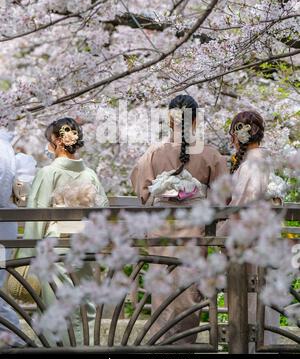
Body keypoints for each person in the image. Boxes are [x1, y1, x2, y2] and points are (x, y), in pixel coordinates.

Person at [131, 95, 228, 344]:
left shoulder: (153, 153)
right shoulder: (210, 154)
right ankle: (186, 348)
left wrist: (164, 193)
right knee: (189, 293)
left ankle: (160, 347)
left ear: (169, 119)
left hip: (161, 231)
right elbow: (223, 197)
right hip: (194, 232)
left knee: (161, 293)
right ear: (195, 121)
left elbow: (142, 191)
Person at [16, 117, 109, 345]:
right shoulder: (90, 174)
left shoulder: (48, 173)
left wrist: (25, 255)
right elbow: (103, 209)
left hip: (56, 246)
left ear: (58, 141)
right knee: (83, 304)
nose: (48, 146)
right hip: (84, 242)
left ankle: (60, 350)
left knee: (57, 306)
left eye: (49, 141)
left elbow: (36, 214)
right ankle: (86, 347)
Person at [226, 110, 284, 352]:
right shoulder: (257, 159)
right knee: (255, 299)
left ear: (239, 134)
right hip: (257, 237)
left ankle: (251, 348)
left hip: (249, 239)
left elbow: (243, 203)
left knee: (251, 300)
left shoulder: (254, 162)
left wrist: (221, 228)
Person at [0, 130, 36, 345]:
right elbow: (21, 195)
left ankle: (15, 339)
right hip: (6, 225)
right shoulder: (8, 151)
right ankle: (14, 337)